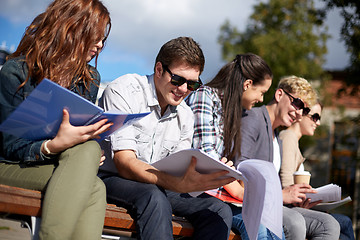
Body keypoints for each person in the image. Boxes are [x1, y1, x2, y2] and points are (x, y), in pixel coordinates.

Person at [98, 37, 235, 240]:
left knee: (218, 210)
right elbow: (124, 162)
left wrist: (210, 172)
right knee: (153, 196)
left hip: (157, 184)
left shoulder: (186, 115)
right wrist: (175, 182)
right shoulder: (123, 91)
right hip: (111, 177)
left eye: (192, 84)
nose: (183, 90)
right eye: (178, 80)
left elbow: (175, 169)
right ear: (159, 69)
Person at [0, 0, 111, 239]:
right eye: (95, 36)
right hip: (9, 164)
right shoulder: (17, 72)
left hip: (59, 166)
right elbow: (10, 147)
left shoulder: (89, 79)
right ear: (71, 29)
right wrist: (54, 145)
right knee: (92, 184)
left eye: (103, 39)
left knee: (90, 155)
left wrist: (84, 140)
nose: (100, 45)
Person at [187, 53, 285, 239]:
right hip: (199, 192)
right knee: (259, 227)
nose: (262, 100)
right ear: (247, 85)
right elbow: (206, 158)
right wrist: (242, 193)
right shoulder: (205, 97)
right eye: (261, 92)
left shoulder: (234, 110)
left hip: (222, 195)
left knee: (275, 226)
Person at [236, 75, 341, 240]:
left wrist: (296, 197)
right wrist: (281, 195)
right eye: (298, 104)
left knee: (329, 225)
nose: (299, 114)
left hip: (271, 204)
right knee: (295, 222)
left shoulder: (276, 134)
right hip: (246, 204)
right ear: (279, 95)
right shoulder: (253, 119)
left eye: (305, 111)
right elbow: (239, 172)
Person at [279, 101, 355, 240]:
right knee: (344, 223)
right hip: (288, 209)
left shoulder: (292, 140)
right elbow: (287, 184)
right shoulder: (288, 137)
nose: (318, 123)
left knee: (344, 229)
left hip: (294, 207)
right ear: (302, 114)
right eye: (315, 117)